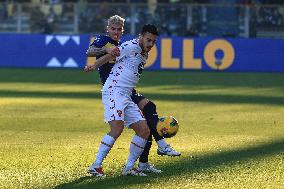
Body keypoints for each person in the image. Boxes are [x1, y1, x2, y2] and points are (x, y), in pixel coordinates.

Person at [85, 15, 180, 176]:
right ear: (141, 37)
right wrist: (94, 65)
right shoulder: (130, 46)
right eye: (148, 40)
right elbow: (109, 56)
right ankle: (96, 165)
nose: (150, 44)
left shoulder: (143, 53)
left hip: (127, 94)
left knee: (144, 130)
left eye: (153, 42)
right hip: (114, 91)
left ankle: (129, 168)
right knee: (117, 128)